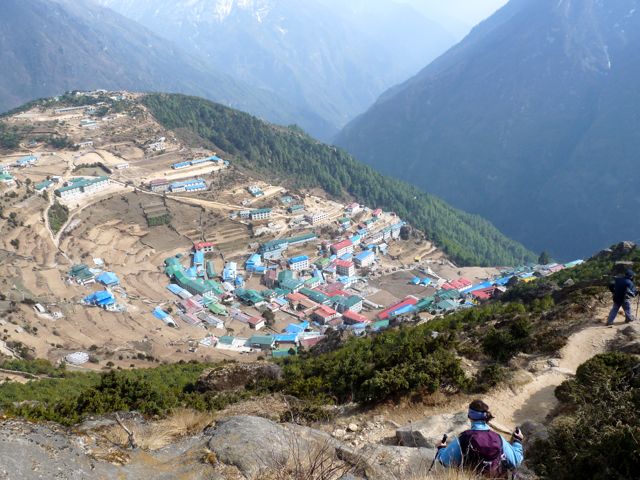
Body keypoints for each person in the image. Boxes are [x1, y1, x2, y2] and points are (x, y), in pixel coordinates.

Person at [437, 400, 524, 478]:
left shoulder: (464, 438)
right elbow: (516, 461)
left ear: (470, 417)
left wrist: (441, 448)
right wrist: (517, 441)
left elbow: (444, 461)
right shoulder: (498, 438)